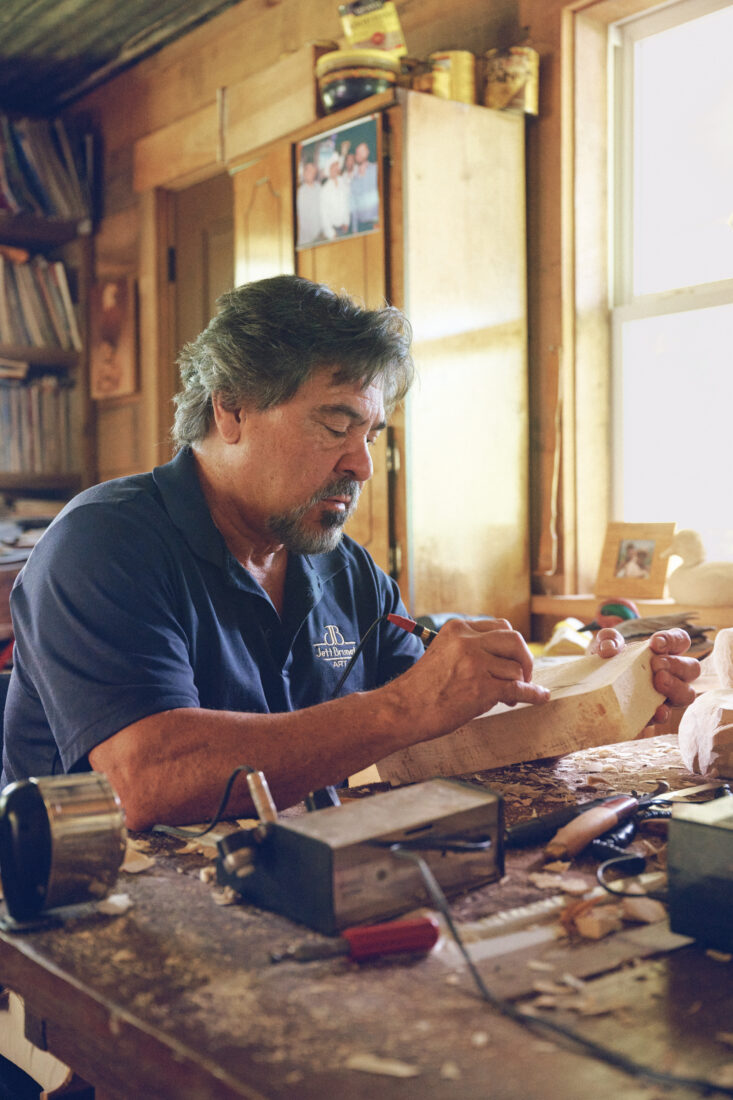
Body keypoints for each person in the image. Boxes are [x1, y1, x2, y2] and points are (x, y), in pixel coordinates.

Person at [2, 276, 699, 831]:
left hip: (278, 879)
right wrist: (403, 708)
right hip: (87, 915)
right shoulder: (103, 545)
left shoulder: (340, 564)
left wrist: (600, 695)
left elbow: (435, 725)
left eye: (372, 433)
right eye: (336, 425)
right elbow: (146, 781)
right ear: (233, 409)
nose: (361, 465)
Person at [349, 141, 379, 233]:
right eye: (358, 152)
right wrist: (354, 229)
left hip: (376, 223)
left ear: (368, 152)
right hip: (361, 226)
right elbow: (353, 207)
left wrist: (380, 221)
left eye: (362, 151)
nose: (360, 154)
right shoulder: (354, 179)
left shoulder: (376, 170)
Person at [320, 154, 351, 240]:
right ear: (328, 169)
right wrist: (331, 233)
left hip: (345, 229)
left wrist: (346, 222)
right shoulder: (325, 189)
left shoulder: (343, 183)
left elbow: (347, 203)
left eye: (337, 165)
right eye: (333, 166)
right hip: (333, 231)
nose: (335, 168)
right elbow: (324, 214)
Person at [296, 160, 322, 247]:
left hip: (321, 236)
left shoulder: (319, 188)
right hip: (306, 240)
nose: (310, 173)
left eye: (312, 171)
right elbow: (302, 219)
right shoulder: (300, 193)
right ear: (304, 173)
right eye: (308, 170)